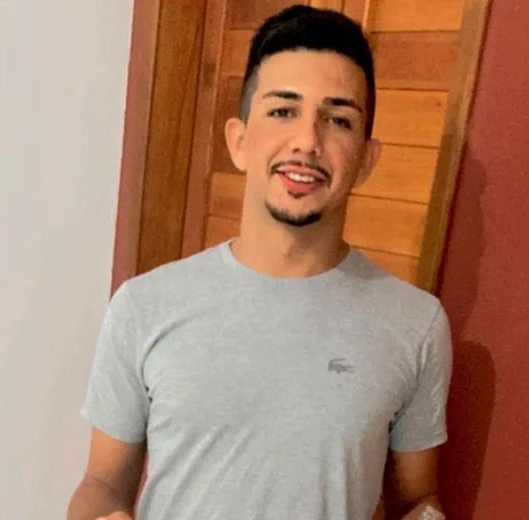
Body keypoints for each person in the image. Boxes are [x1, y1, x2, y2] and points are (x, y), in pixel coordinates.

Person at [67, 5, 452, 520]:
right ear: (239, 141)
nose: (307, 141)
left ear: (366, 158)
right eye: (283, 111)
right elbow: (100, 483)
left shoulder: (416, 325)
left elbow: (416, 498)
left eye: (338, 120)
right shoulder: (144, 306)